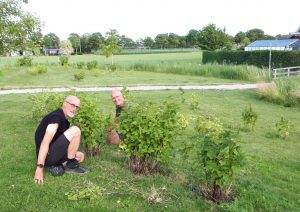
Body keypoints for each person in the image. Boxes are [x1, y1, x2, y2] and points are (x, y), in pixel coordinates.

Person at [34, 95, 87, 184]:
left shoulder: (64, 120)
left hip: (52, 152)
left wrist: (72, 154)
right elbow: (45, 142)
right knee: (75, 130)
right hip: (46, 156)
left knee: (80, 155)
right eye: (72, 105)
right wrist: (39, 168)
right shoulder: (56, 117)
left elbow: (61, 142)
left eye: (77, 107)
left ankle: (63, 164)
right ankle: (69, 166)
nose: (74, 109)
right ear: (65, 103)